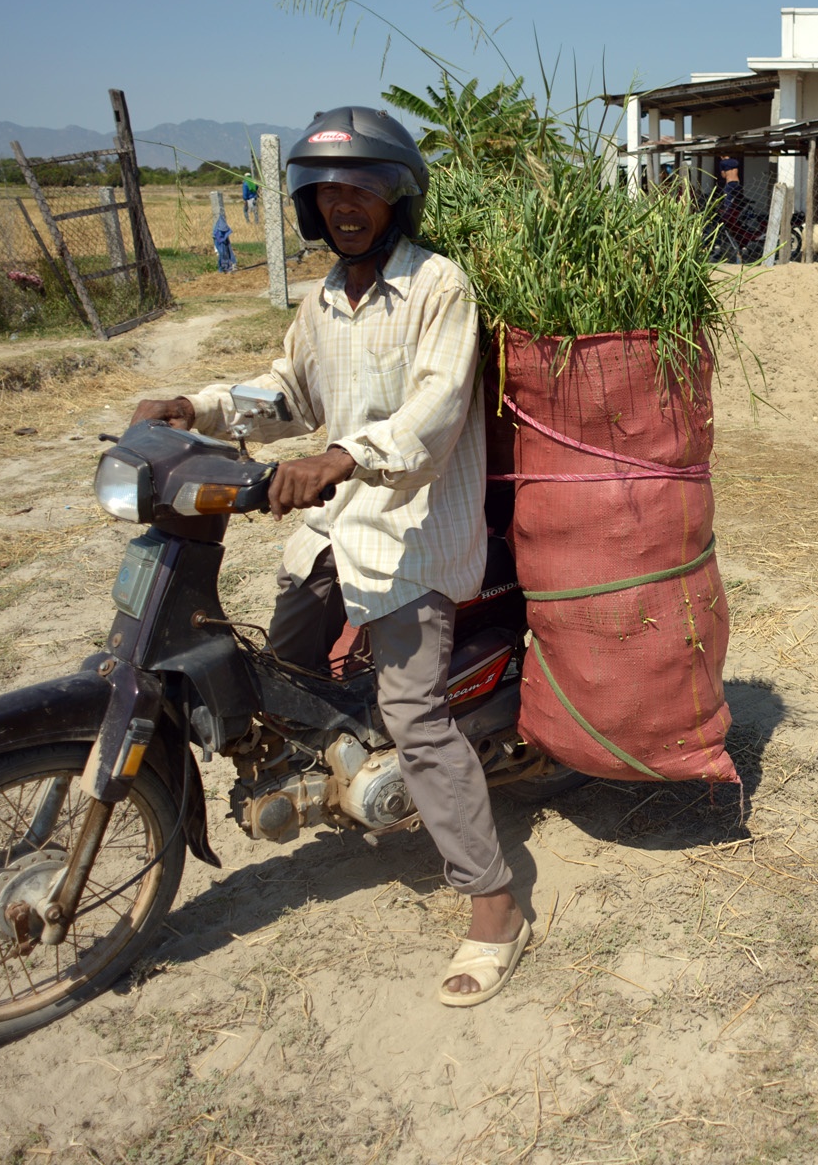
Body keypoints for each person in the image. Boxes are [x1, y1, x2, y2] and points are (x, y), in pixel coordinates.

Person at [130, 107, 530, 1007]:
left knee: (415, 716)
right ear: (308, 206)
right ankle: (338, 780)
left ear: (397, 196)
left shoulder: (438, 287)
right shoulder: (321, 303)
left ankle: (495, 906)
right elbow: (288, 392)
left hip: (412, 532)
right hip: (331, 529)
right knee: (281, 674)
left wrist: (341, 458)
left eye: (363, 188)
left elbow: (434, 412)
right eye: (327, 191)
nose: (345, 205)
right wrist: (199, 409)